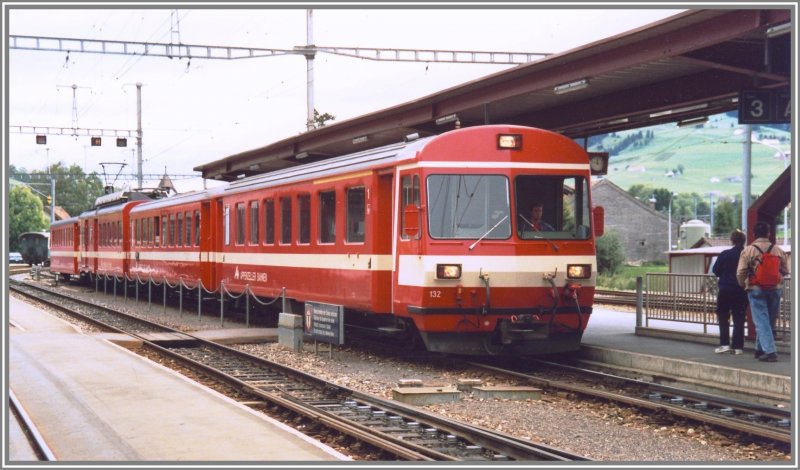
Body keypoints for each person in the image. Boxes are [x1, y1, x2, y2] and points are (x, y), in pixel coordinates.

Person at [736, 221, 789, 362]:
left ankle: (770, 352)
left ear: (754, 234)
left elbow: (741, 272)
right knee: (767, 320)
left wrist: (743, 284)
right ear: (768, 233)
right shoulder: (778, 250)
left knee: (761, 320)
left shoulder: (748, 250)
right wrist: (777, 277)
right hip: (775, 289)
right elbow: (786, 270)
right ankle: (760, 349)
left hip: (756, 289)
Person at [711, 230, 748, 355]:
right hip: (741, 290)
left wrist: (725, 274)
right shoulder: (747, 254)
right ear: (744, 241)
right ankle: (737, 347)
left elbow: (715, 270)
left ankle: (724, 344)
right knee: (739, 317)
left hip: (725, 289)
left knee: (723, 316)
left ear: (732, 241)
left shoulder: (725, 254)